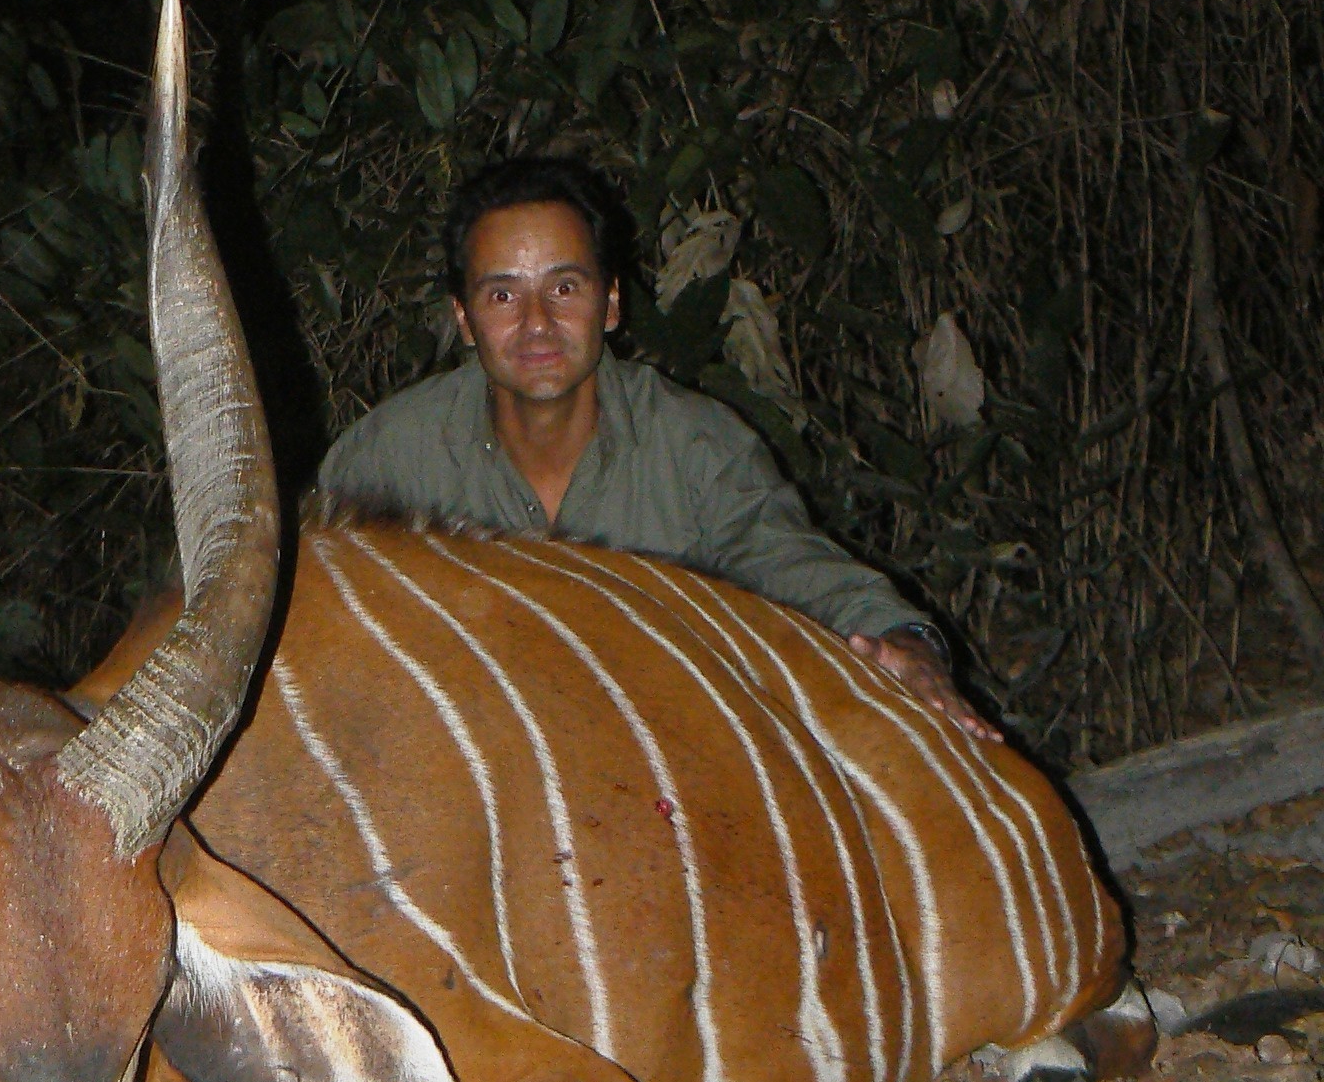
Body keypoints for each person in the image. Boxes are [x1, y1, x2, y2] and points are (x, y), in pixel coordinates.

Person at [314, 153, 998, 739]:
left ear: (610, 305)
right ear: (464, 320)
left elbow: (788, 560)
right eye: (502, 295)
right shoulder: (384, 461)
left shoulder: (695, 446)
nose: (537, 324)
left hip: (661, 779)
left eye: (564, 287)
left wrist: (907, 646)